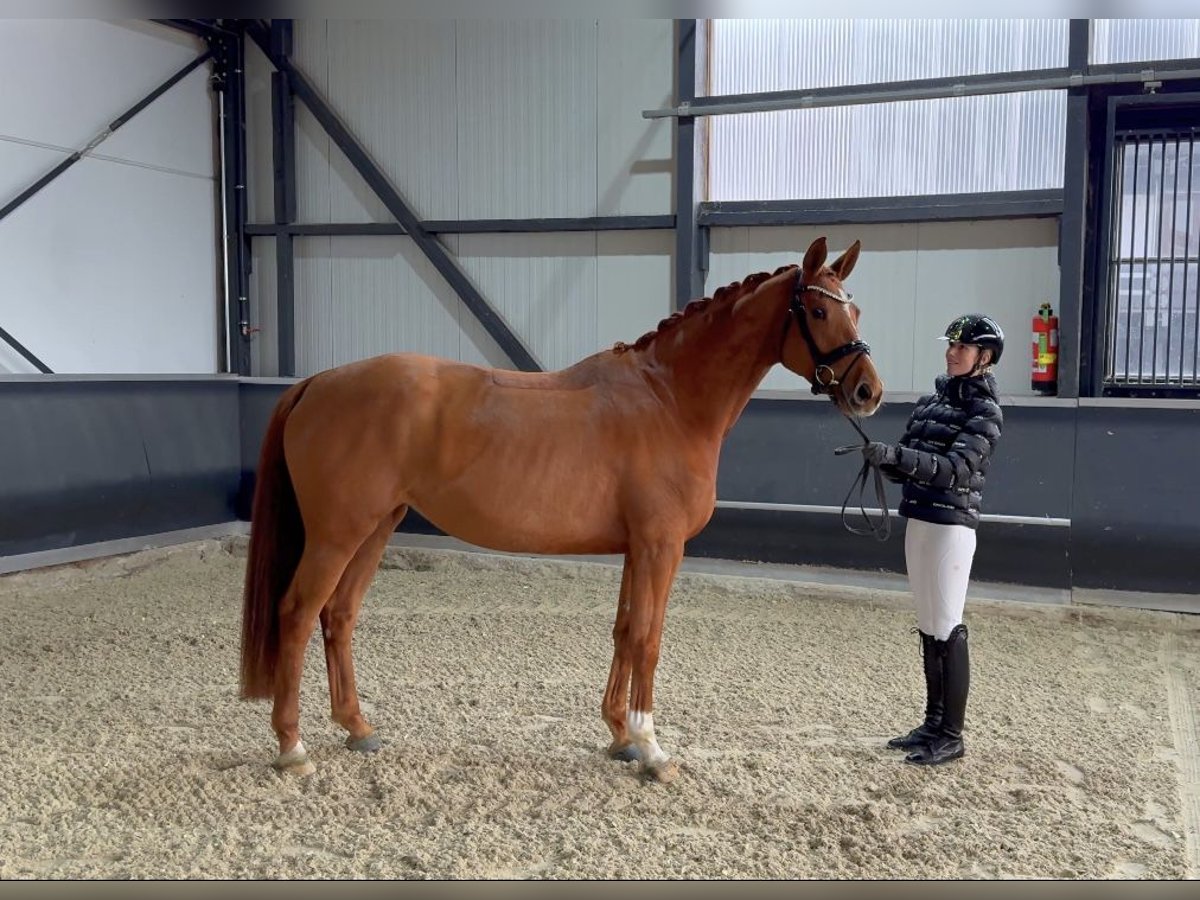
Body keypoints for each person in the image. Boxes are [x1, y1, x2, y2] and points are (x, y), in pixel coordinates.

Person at [860, 314, 1005, 766]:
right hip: (920, 521)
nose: (952, 352)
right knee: (927, 627)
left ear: (984, 359)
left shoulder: (985, 414)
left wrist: (899, 456)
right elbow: (911, 458)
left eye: (962, 348)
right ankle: (932, 722)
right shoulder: (929, 404)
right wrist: (883, 459)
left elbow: (955, 469)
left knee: (946, 625)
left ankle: (952, 734)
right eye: (951, 345)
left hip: (950, 528)